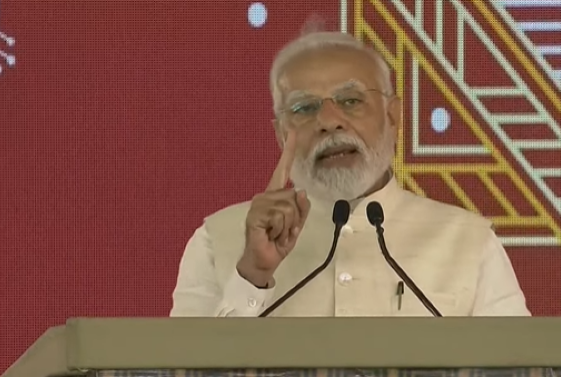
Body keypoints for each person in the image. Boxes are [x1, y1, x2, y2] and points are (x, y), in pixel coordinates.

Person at [170, 28, 531, 318]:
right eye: (304, 107)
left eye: (351, 101)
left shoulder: (469, 243)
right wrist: (253, 275)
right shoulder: (217, 241)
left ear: (393, 116)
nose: (329, 121)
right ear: (281, 134)